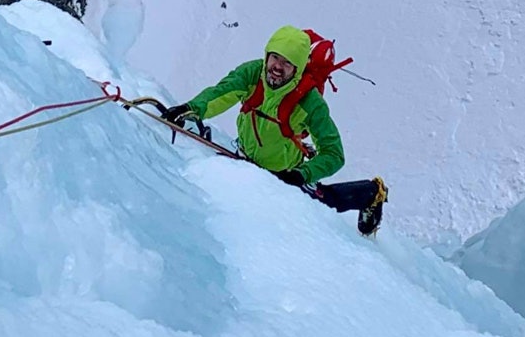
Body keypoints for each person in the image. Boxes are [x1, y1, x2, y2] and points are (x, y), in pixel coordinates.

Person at [161, 25, 387, 235]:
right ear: (267, 55)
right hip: (247, 158)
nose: (277, 66)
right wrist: (191, 109)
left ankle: (371, 193)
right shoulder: (252, 73)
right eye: (275, 57)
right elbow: (221, 94)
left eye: (287, 63)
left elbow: (334, 154)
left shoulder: (310, 103)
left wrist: (301, 175)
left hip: (287, 174)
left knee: (325, 202)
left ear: (297, 70)